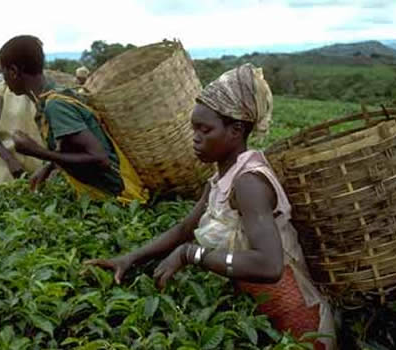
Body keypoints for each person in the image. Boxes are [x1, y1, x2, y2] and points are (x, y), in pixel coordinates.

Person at [87, 64, 336, 349]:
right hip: (263, 317)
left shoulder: (249, 184)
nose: (195, 137)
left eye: (205, 129)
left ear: (236, 130)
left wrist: (192, 254)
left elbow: (269, 266)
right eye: (194, 128)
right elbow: (184, 229)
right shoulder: (221, 179)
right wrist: (129, 258)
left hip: (300, 324)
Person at [0, 35, 147, 204]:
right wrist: (48, 167)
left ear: (14, 71)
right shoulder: (50, 99)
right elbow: (72, 148)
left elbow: (99, 158)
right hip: (101, 197)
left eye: (4, 72)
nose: (4, 79)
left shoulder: (56, 105)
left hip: (120, 199)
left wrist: (36, 151)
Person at [0, 59, 45, 184]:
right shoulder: (1, 90)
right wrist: (10, 161)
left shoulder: (47, 92)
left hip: (42, 171)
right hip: (8, 170)